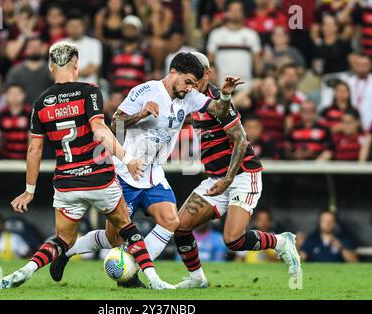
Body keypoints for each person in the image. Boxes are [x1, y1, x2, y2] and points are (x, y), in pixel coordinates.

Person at [52, 52, 241, 284]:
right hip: (127, 171)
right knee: (114, 240)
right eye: (188, 81)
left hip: (154, 175)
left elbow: (220, 111)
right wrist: (141, 114)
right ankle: (67, 251)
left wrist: (225, 93)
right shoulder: (145, 91)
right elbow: (115, 123)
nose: (191, 88)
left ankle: (132, 271)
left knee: (172, 221)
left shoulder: (188, 96)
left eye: (193, 83)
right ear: (173, 73)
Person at [0, 41, 174, 290]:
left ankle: (25, 269)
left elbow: (34, 149)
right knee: (126, 228)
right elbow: (100, 129)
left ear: (50, 67)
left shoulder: (41, 102)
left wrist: (29, 190)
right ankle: (155, 281)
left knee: (63, 239)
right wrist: (126, 158)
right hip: (99, 177)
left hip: (66, 182)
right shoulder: (89, 91)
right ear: (76, 64)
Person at [171, 53, 300, 288]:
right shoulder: (188, 98)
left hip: (241, 175)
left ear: (206, 74)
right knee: (180, 227)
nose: (190, 84)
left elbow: (241, 141)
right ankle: (197, 279)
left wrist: (228, 179)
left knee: (233, 239)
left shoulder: (218, 101)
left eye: (194, 77)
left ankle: (282, 242)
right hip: (215, 178)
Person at [206, 0, 262, 87]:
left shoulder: (252, 35)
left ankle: (234, 100)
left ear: (243, 13)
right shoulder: (216, 34)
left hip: (245, 85)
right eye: (233, 10)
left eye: (239, 10)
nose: (236, 13)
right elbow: (209, 63)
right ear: (226, 13)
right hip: (221, 84)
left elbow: (258, 66)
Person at [4, 37, 53, 106]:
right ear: (25, 50)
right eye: (31, 47)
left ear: (43, 49)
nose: (34, 49)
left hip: (47, 111)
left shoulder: (51, 71)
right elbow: (8, 95)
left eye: (37, 46)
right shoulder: (15, 71)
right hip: (24, 113)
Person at [0, 84, 31, 160]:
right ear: (6, 96)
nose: (14, 97)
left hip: (24, 158)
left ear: (23, 96)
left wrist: (30, 158)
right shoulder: (2, 113)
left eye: (17, 94)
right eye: (11, 94)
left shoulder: (29, 112)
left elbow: (31, 138)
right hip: (5, 157)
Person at [65, 13, 102, 84]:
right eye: (71, 26)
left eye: (77, 26)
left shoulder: (94, 43)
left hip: (88, 87)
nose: (74, 29)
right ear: (66, 27)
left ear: (83, 27)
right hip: (65, 90)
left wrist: (66, 74)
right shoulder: (58, 45)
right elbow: (53, 72)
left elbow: (93, 68)